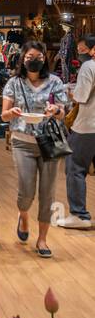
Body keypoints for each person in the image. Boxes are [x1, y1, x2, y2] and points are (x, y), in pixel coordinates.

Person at [2, 40, 68, 256]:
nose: (34, 61)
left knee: (47, 192)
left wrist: (55, 110)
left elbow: (62, 112)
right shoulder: (14, 83)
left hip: (49, 142)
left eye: (38, 57)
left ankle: (42, 240)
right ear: (23, 59)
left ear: (44, 59)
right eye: (30, 57)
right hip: (22, 142)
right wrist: (11, 113)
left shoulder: (55, 82)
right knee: (26, 190)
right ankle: (23, 216)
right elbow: (4, 114)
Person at [64, 31, 95, 225]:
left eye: (83, 48)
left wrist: (70, 92)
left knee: (75, 167)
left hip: (87, 126)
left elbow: (81, 97)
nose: (80, 51)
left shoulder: (88, 66)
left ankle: (79, 215)